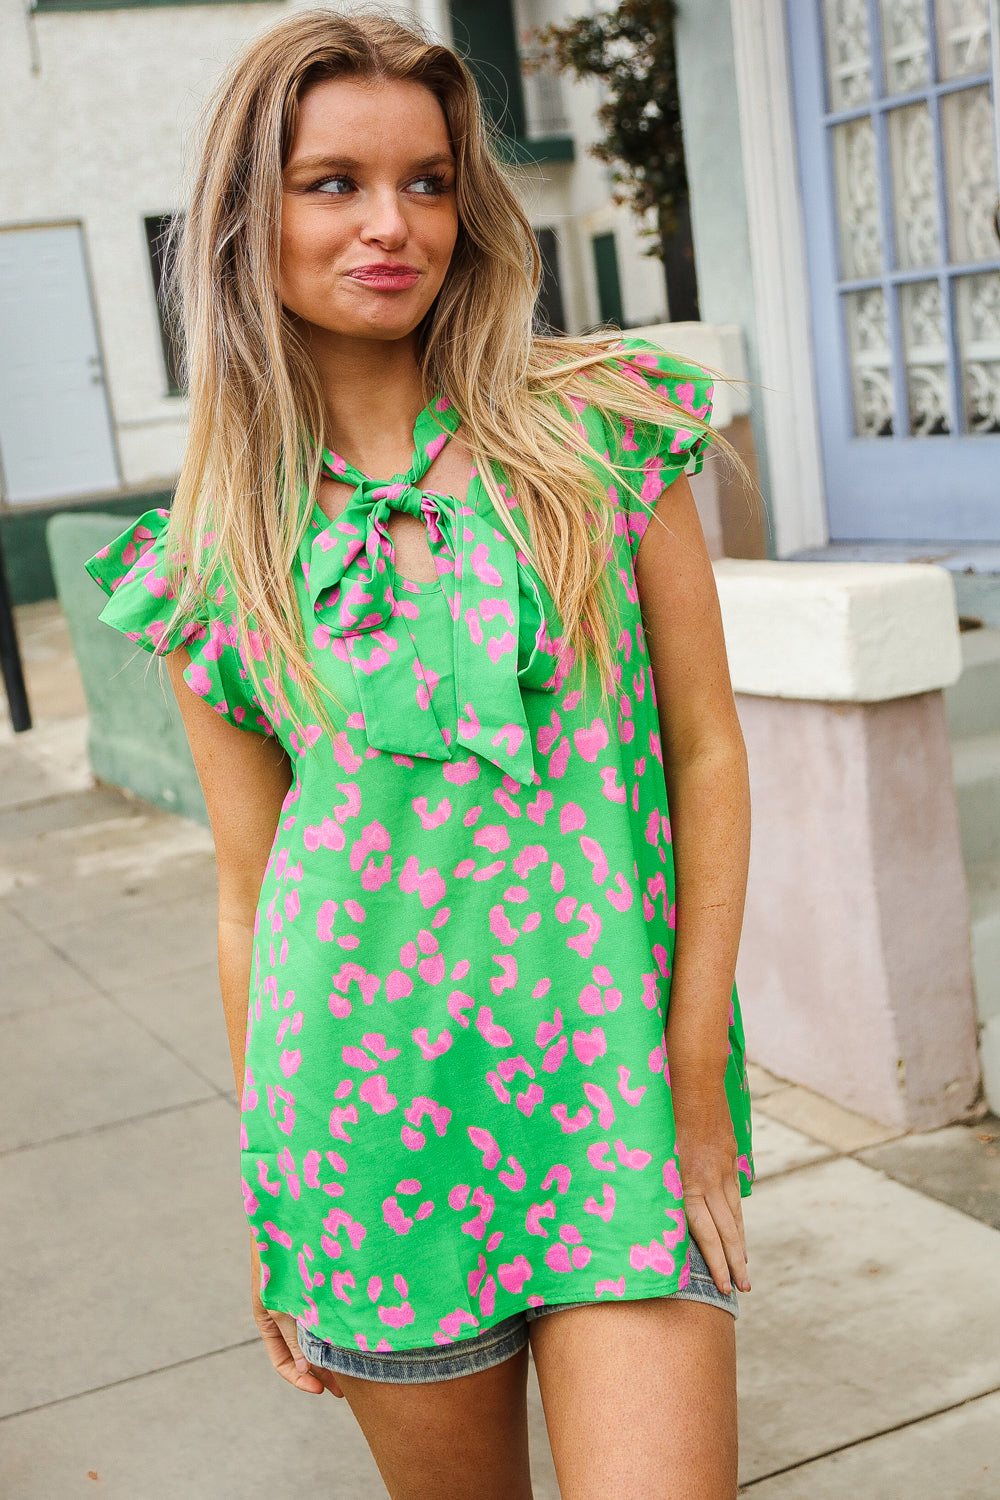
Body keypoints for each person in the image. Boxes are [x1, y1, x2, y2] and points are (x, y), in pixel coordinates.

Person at [86, 10, 754, 1496]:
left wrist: (694, 1069)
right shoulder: (214, 555)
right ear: (249, 216)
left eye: (431, 181)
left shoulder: (598, 432)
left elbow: (707, 753)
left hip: (617, 1110)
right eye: (334, 183)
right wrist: (278, 1198)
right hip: (368, 1151)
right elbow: (254, 898)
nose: (394, 225)